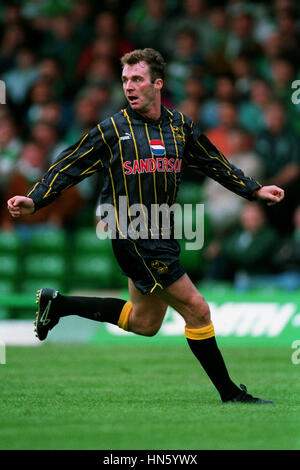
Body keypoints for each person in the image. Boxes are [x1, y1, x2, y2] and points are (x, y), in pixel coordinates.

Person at [7, 48, 284, 404]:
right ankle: (229, 393)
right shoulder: (112, 129)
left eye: (136, 79)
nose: (129, 86)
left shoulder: (179, 127)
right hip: (133, 234)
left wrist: (255, 189)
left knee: (144, 323)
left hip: (162, 233)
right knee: (198, 310)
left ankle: (57, 304)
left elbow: (215, 163)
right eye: (125, 80)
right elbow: (70, 164)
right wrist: (36, 198)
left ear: (157, 83)